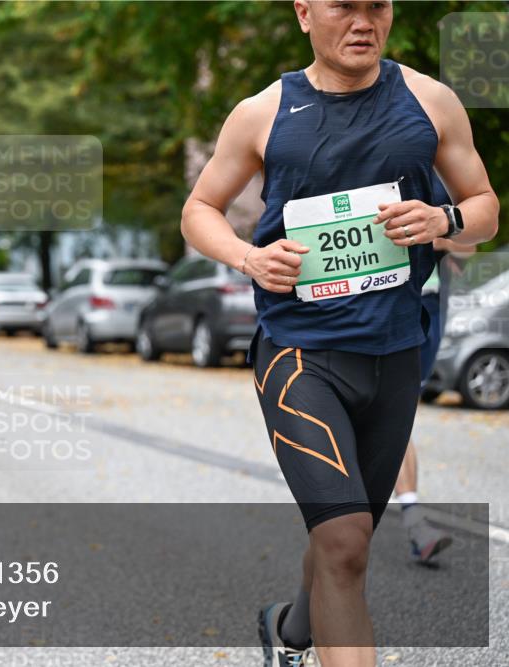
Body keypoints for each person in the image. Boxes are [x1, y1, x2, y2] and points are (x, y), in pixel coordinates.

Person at [180, 2, 499, 666]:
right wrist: (247, 257)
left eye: (376, 5)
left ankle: (289, 629)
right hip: (299, 355)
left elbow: (485, 208)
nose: (363, 21)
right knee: (349, 540)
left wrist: (443, 219)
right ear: (304, 14)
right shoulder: (262, 112)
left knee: (339, 536)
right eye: (342, 7)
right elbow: (199, 210)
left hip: (393, 353)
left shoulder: (430, 101)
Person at [394, 175, 475, 564]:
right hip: (366, 311)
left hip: (423, 310)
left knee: (398, 415)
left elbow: (470, 245)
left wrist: (437, 232)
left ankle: (413, 522)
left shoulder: (437, 174)